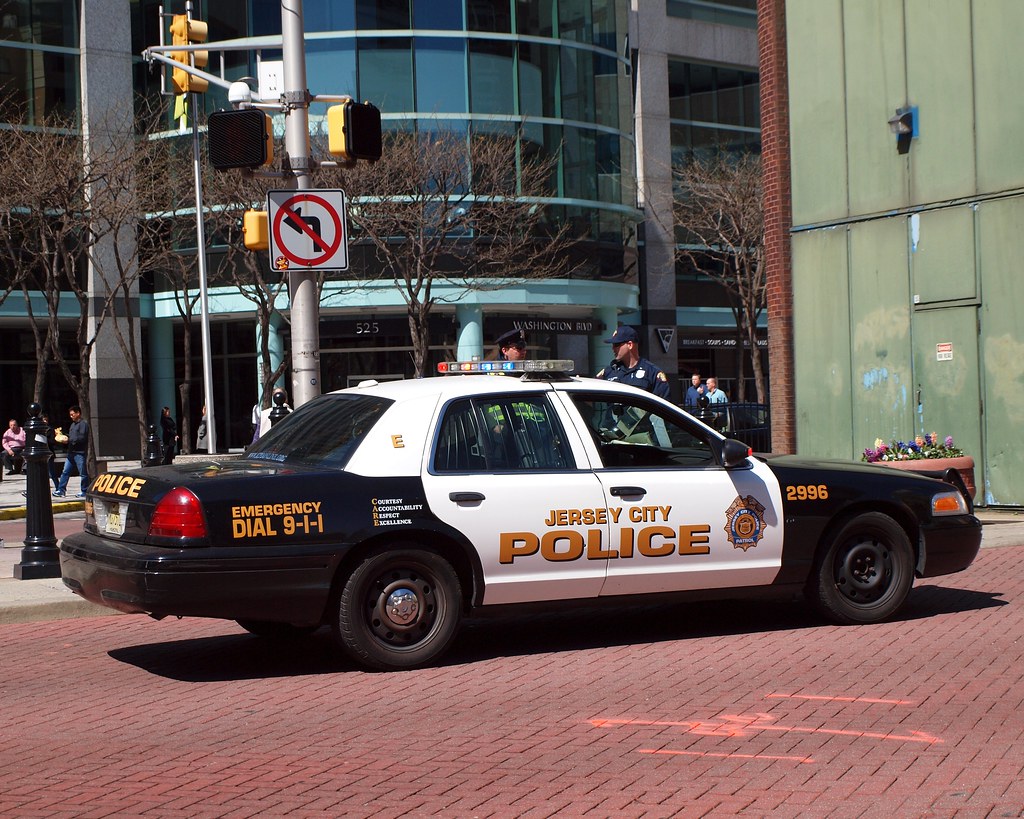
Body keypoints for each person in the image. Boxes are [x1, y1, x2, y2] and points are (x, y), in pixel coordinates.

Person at [595, 325, 671, 399]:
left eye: (616, 344)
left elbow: (662, 405)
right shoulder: (609, 371)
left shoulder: (652, 373)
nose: (613, 348)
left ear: (630, 345)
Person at [53, 405, 90, 498]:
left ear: (78, 413)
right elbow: (71, 436)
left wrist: (69, 440)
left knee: (83, 472)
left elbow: (82, 437)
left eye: (73, 414)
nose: (71, 416)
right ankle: (61, 490)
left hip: (79, 452)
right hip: (71, 452)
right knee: (65, 471)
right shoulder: (73, 425)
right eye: (70, 415)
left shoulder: (83, 424)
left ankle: (85, 491)